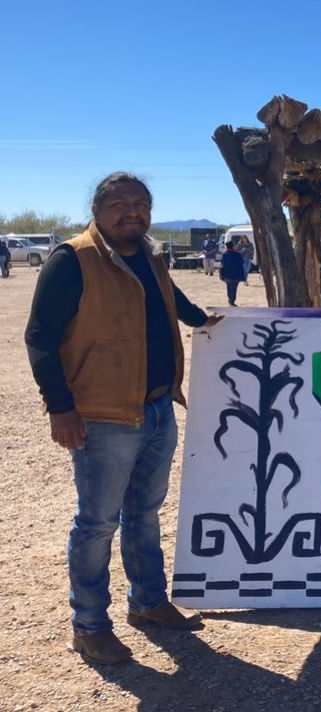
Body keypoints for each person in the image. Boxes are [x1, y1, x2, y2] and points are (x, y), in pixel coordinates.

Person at [24, 172, 222, 665]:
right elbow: (40, 337)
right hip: (103, 415)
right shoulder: (73, 260)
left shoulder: (153, 256)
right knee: (96, 524)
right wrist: (61, 406)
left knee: (145, 515)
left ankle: (149, 603)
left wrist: (216, 322)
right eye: (120, 203)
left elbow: (174, 304)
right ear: (97, 209)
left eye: (141, 203)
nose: (132, 211)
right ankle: (89, 625)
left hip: (157, 406)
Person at [220, 240, 245, 306]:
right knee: (234, 289)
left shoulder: (224, 255)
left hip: (227, 275)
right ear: (232, 246)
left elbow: (222, 264)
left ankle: (230, 299)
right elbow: (242, 262)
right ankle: (231, 301)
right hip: (236, 275)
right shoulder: (238, 254)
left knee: (228, 287)